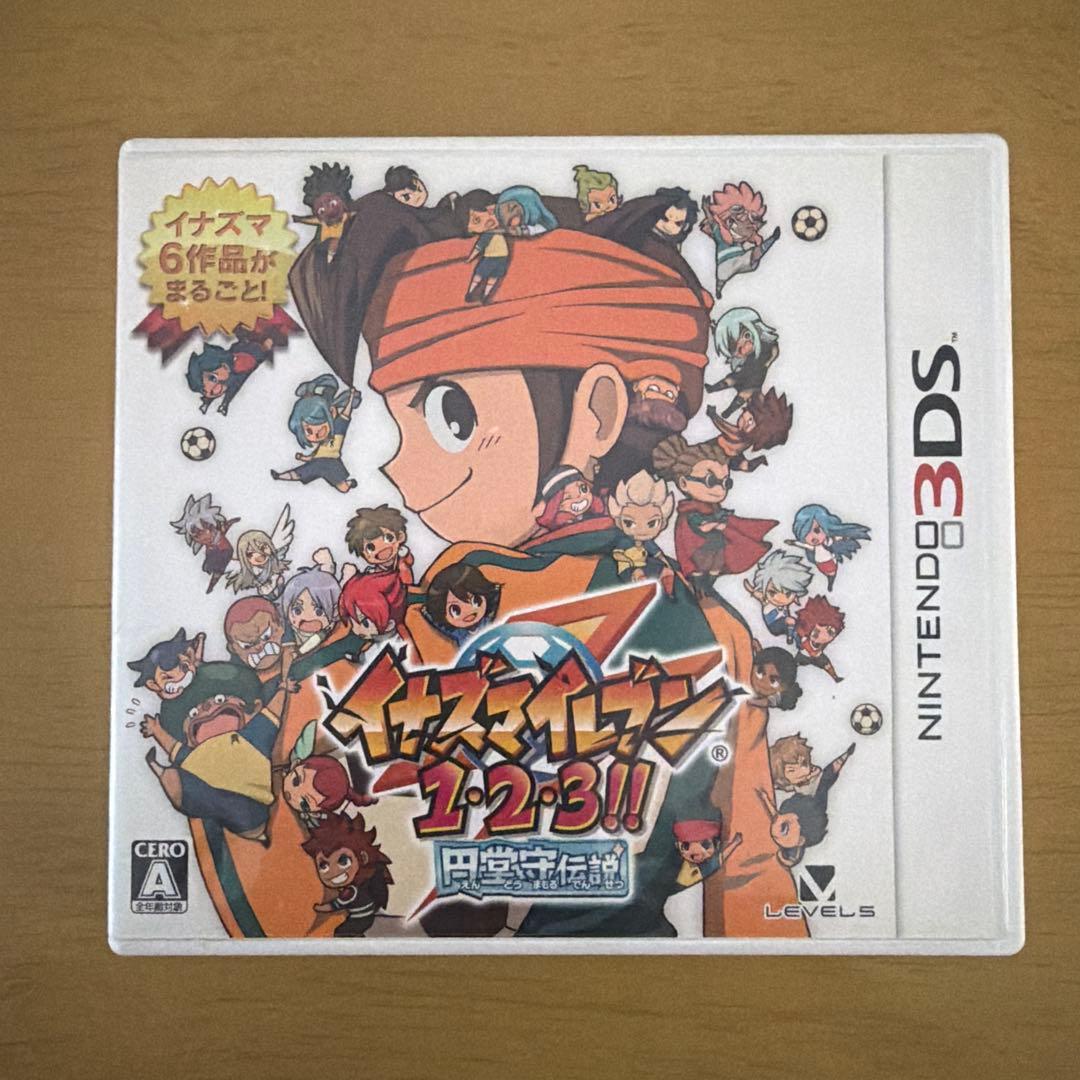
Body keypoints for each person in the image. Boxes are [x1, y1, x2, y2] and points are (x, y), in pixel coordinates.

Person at [653, 434, 776, 599]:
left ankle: (706, 588)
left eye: (726, 483)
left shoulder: (714, 508)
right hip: (698, 552)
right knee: (702, 570)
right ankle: (698, 589)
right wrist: (716, 525)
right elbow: (698, 527)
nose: (720, 490)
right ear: (683, 483)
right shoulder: (690, 510)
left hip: (714, 549)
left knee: (716, 564)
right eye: (711, 481)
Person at [303, 815, 393, 936]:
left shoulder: (350, 891)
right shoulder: (356, 888)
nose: (332, 871)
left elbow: (335, 905)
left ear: (362, 858)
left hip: (360, 918)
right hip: (364, 916)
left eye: (343, 861)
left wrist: (320, 908)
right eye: (324, 866)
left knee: (341, 932)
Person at [271, 375, 360, 493]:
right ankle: (279, 476)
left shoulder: (337, 430)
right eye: (308, 432)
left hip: (332, 462)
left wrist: (351, 398)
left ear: (332, 413)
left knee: (343, 488)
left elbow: (345, 414)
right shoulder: (321, 446)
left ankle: (349, 483)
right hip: (319, 462)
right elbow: (313, 457)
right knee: (300, 473)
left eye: (319, 427)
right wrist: (302, 458)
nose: (315, 435)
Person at [700, 181, 780, 296]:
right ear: (730, 221)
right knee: (746, 259)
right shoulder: (720, 233)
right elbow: (714, 223)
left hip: (738, 261)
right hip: (727, 264)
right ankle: (771, 240)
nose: (751, 226)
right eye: (745, 221)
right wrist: (707, 210)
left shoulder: (741, 239)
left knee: (748, 258)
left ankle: (719, 288)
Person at [705, 307, 780, 419]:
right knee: (730, 380)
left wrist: (768, 363)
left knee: (745, 393)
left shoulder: (765, 344)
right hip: (745, 370)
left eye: (738, 349)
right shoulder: (752, 349)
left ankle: (728, 412)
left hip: (757, 374)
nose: (736, 353)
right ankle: (712, 388)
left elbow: (774, 351)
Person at [787, 503, 871, 590]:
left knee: (831, 574)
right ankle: (830, 579)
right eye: (806, 533)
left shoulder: (827, 542)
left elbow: (835, 539)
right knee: (829, 574)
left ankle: (831, 581)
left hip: (829, 562)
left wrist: (845, 537)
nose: (813, 537)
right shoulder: (814, 548)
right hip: (821, 564)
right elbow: (804, 545)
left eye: (817, 530)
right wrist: (793, 543)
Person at [707, 387, 793, 471]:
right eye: (749, 419)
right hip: (729, 453)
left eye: (751, 421)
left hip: (720, 452)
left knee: (741, 465)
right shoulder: (746, 437)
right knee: (743, 465)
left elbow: (727, 429)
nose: (745, 420)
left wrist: (713, 416)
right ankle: (756, 461)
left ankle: (755, 462)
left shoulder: (740, 435)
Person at [170, 493, 238, 593]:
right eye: (197, 535)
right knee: (208, 567)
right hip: (213, 553)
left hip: (224, 551)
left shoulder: (218, 536)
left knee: (218, 569)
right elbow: (224, 528)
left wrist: (231, 522)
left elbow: (224, 528)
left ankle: (212, 584)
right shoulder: (210, 543)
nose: (203, 536)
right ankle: (212, 580)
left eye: (206, 528)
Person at [227, 504, 294, 602]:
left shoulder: (273, 563)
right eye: (250, 554)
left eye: (263, 548)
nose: (258, 555)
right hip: (265, 597)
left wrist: (275, 581)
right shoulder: (251, 570)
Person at [743, 549, 812, 643]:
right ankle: (790, 638)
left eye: (788, 594)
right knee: (790, 621)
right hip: (774, 625)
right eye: (772, 592)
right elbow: (755, 592)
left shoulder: (788, 601)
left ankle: (799, 642)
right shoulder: (766, 600)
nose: (779, 599)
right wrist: (750, 588)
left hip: (785, 625)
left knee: (797, 625)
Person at [292, 162, 355, 263]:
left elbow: (355, 215)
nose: (328, 210)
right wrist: (298, 219)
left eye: (332, 204)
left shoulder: (345, 216)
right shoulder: (323, 221)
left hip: (343, 250)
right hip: (323, 252)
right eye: (321, 210)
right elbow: (313, 220)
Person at [794, 595, 846, 682]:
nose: (823, 636)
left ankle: (835, 677)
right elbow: (809, 649)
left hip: (818, 656)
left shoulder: (824, 642)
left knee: (827, 665)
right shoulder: (805, 639)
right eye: (817, 633)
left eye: (830, 632)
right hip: (804, 655)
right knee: (793, 664)